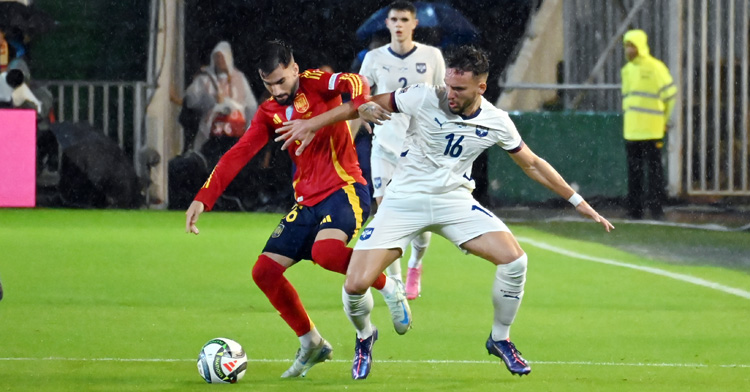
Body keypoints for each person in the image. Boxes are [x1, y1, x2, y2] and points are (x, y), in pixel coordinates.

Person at [276, 45, 614, 380]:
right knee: (355, 285)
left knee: (515, 261)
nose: (449, 93)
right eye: (449, 85)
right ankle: (365, 337)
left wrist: (577, 202)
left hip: (453, 201)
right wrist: (331, 118)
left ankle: (500, 338)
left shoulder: (497, 121)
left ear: (481, 87)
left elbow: (533, 165)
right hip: (403, 200)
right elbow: (364, 104)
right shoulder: (423, 95)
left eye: (459, 89)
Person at [184, 40, 411, 379]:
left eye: (281, 81)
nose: (276, 90)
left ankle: (389, 287)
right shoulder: (268, 113)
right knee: (263, 272)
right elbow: (239, 153)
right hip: (306, 202)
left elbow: (356, 84)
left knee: (326, 252)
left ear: (293, 68)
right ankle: (312, 343)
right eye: (268, 84)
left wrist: (350, 109)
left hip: (345, 188)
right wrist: (204, 196)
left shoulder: (316, 82)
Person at [358, 0, 446, 299]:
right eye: (393, 19)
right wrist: (363, 110)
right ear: (387, 23)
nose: (398, 24)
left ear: (414, 24)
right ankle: (394, 282)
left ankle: (415, 265)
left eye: (404, 19)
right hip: (384, 145)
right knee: (385, 214)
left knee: (420, 220)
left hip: (421, 150)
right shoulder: (373, 58)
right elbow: (360, 96)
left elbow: (443, 99)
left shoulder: (432, 56)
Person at [169, 41, 258, 210]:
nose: (220, 61)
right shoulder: (205, 80)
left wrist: (249, 131)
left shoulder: (239, 78)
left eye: (222, 57)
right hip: (212, 135)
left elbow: (250, 106)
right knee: (209, 165)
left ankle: (234, 199)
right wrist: (208, 98)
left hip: (235, 135)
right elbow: (192, 100)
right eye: (217, 57)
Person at [621, 29, 677, 220]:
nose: (629, 50)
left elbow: (671, 96)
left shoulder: (656, 67)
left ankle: (656, 209)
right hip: (632, 130)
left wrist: (664, 121)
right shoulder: (627, 70)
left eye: (632, 46)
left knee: (654, 173)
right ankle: (635, 210)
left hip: (652, 130)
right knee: (635, 173)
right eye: (627, 46)